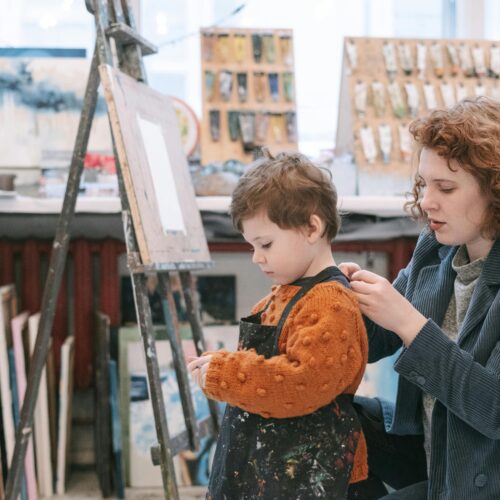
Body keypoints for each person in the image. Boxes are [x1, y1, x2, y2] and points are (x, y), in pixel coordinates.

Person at [342, 96, 500, 500]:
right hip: (434, 453)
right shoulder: (438, 248)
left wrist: (409, 324)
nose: (427, 201)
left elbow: (493, 409)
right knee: (325, 416)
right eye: (424, 184)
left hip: (483, 475)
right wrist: (336, 294)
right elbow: (377, 338)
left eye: (445, 187)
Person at [188, 150, 369, 498]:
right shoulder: (282, 296)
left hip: (307, 474)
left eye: (266, 244)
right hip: (271, 468)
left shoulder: (329, 302)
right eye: (252, 246)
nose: (257, 257)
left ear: (312, 227)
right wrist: (219, 366)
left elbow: (302, 383)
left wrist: (227, 374)